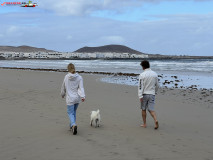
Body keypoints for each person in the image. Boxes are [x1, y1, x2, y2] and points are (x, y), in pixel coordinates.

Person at [61, 63, 85, 135]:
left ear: (68, 69)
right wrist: (82, 96)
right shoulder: (79, 77)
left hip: (70, 98)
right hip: (77, 98)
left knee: (70, 112)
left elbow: (63, 87)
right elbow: (81, 88)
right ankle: (71, 126)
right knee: (73, 112)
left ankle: (74, 125)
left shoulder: (66, 77)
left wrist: (62, 94)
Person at [138, 60, 159, 129]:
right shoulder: (154, 74)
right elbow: (157, 85)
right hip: (152, 94)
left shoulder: (142, 75)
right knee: (151, 109)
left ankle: (144, 124)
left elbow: (140, 86)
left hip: (144, 94)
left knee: (143, 109)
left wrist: (140, 96)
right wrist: (154, 92)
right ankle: (155, 120)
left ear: (143, 66)